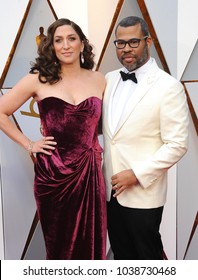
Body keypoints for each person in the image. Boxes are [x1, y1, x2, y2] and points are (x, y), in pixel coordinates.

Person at [0, 18, 107, 260]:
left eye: (71, 39)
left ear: (82, 44)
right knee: (59, 250)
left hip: (90, 174)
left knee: (91, 245)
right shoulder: (37, 79)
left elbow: (102, 125)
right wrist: (29, 144)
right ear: (52, 46)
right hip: (54, 178)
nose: (66, 45)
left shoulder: (99, 79)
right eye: (59, 40)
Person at [102, 16, 189, 260]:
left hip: (143, 193)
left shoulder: (168, 86)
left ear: (147, 41)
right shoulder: (108, 79)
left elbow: (177, 144)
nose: (126, 49)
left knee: (147, 258)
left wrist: (136, 174)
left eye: (133, 42)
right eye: (120, 43)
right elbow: (105, 129)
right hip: (109, 191)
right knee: (122, 257)